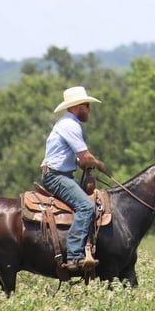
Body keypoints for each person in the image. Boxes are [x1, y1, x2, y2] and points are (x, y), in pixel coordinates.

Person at [41, 86, 107, 271]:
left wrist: (87, 163)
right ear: (78, 106)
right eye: (87, 105)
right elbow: (85, 158)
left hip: (60, 174)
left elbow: (80, 160)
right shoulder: (70, 125)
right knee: (86, 207)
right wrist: (100, 165)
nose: (89, 109)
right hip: (56, 176)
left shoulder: (66, 124)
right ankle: (74, 256)